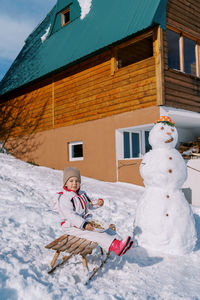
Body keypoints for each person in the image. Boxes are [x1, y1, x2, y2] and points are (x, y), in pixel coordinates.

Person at [51, 166, 133, 256]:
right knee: (97, 235)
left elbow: (89, 204)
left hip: (85, 222)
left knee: (106, 229)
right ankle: (116, 247)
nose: (74, 183)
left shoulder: (82, 194)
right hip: (72, 226)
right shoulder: (65, 198)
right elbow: (70, 215)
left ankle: (121, 242)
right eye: (71, 181)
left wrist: (98, 203)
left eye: (77, 181)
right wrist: (84, 224)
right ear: (65, 183)